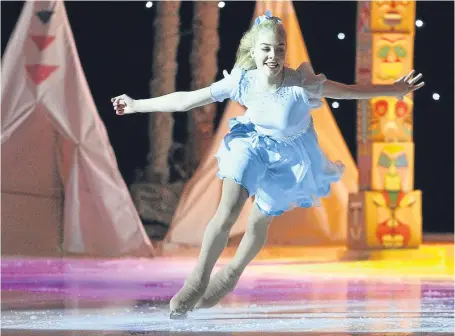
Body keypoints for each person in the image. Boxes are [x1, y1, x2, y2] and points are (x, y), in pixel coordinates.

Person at [111, 11, 424, 319]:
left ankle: (232, 273)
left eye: (279, 49)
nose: (273, 55)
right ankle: (197, 281)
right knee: (227, 210)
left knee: (259, 222)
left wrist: (395, 90)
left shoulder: (302, 83)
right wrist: (138, 105)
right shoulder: (242, 81)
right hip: (252, 145)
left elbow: (351, 91)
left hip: (291, 158)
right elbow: (187, 100)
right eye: (265, 48)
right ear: (253, 51)